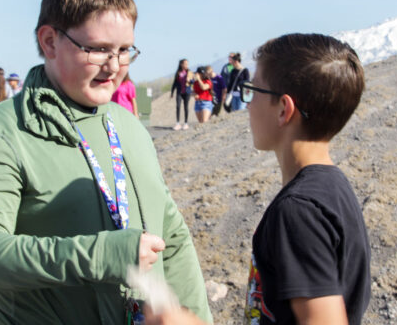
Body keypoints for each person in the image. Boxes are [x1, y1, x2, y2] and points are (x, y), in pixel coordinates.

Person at [0, 0, 212, 324]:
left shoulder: (129, 128)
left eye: (125, 50)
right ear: (49, 41)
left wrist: (196, 317)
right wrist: (99, 255)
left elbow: (173, 239)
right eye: (98, 49)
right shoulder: (1, 132)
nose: (115, 65)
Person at [145, 34, 371, 325]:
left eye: (253, 90)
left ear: (283, 110)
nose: (248, 104)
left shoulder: (298, 212)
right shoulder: (334, 189)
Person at [170, 58, 194, 130]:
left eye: (187, 64)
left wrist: (190, 80)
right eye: (185, 64)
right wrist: (172, 92)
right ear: (181, 64)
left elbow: (193, 81)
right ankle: (178, 123)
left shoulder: (189, 72)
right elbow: (175, 83)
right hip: (179, 92)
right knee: (178, 106)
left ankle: (186, 123)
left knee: (185, 107)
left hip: (187, 92)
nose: (186, 65)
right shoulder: (178, 72)